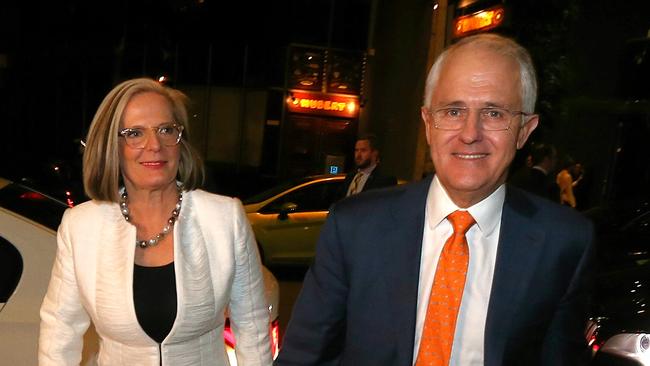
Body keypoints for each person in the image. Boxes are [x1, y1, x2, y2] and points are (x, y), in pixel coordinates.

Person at [275, 34, 594, 365]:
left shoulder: (564, 243)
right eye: (453, 111)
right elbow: (303, 358)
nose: (470, 133)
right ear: (428, 124)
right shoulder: (354, 228)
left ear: (525, 130)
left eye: (494, 113)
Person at [39, 78, 272, 365]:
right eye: (135, 133)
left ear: (180, 140)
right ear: (112, 145)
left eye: (166, 130)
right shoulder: (81, 227)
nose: (154, 145)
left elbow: (252, 325)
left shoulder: (225, 219)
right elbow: (59, 331)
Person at [340, 134, 397, 198]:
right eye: (356, 150)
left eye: (363, 150)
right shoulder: (350, 176)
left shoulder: (385, 179)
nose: (358, 155)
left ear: (374, 153)